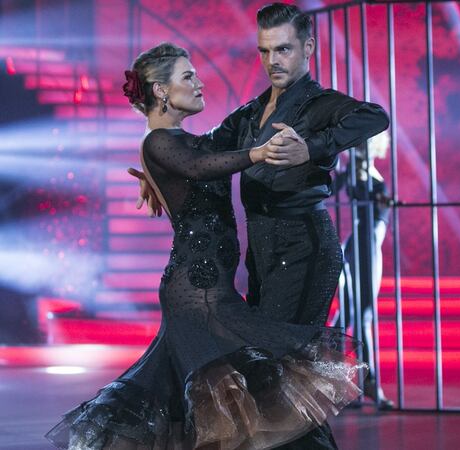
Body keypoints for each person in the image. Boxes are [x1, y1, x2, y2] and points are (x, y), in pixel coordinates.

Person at [47, 43, 364, 450]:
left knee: (236, 397)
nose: (200, 83)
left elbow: (206, 150)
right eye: (188, 76)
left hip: (213, 290)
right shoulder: (158, 141)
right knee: (245, 389)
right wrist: (258, 152)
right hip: (197, 295)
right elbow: (198, 166)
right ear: (161, 91)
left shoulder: (183, 141)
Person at [335, 131, 394, 410]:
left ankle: (341, 380)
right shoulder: (357, 173)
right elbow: (339, 189)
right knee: (361, 315)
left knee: (348, 314)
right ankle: (367, 383)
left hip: (365, 244)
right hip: (364, 245)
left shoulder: (365, 172)